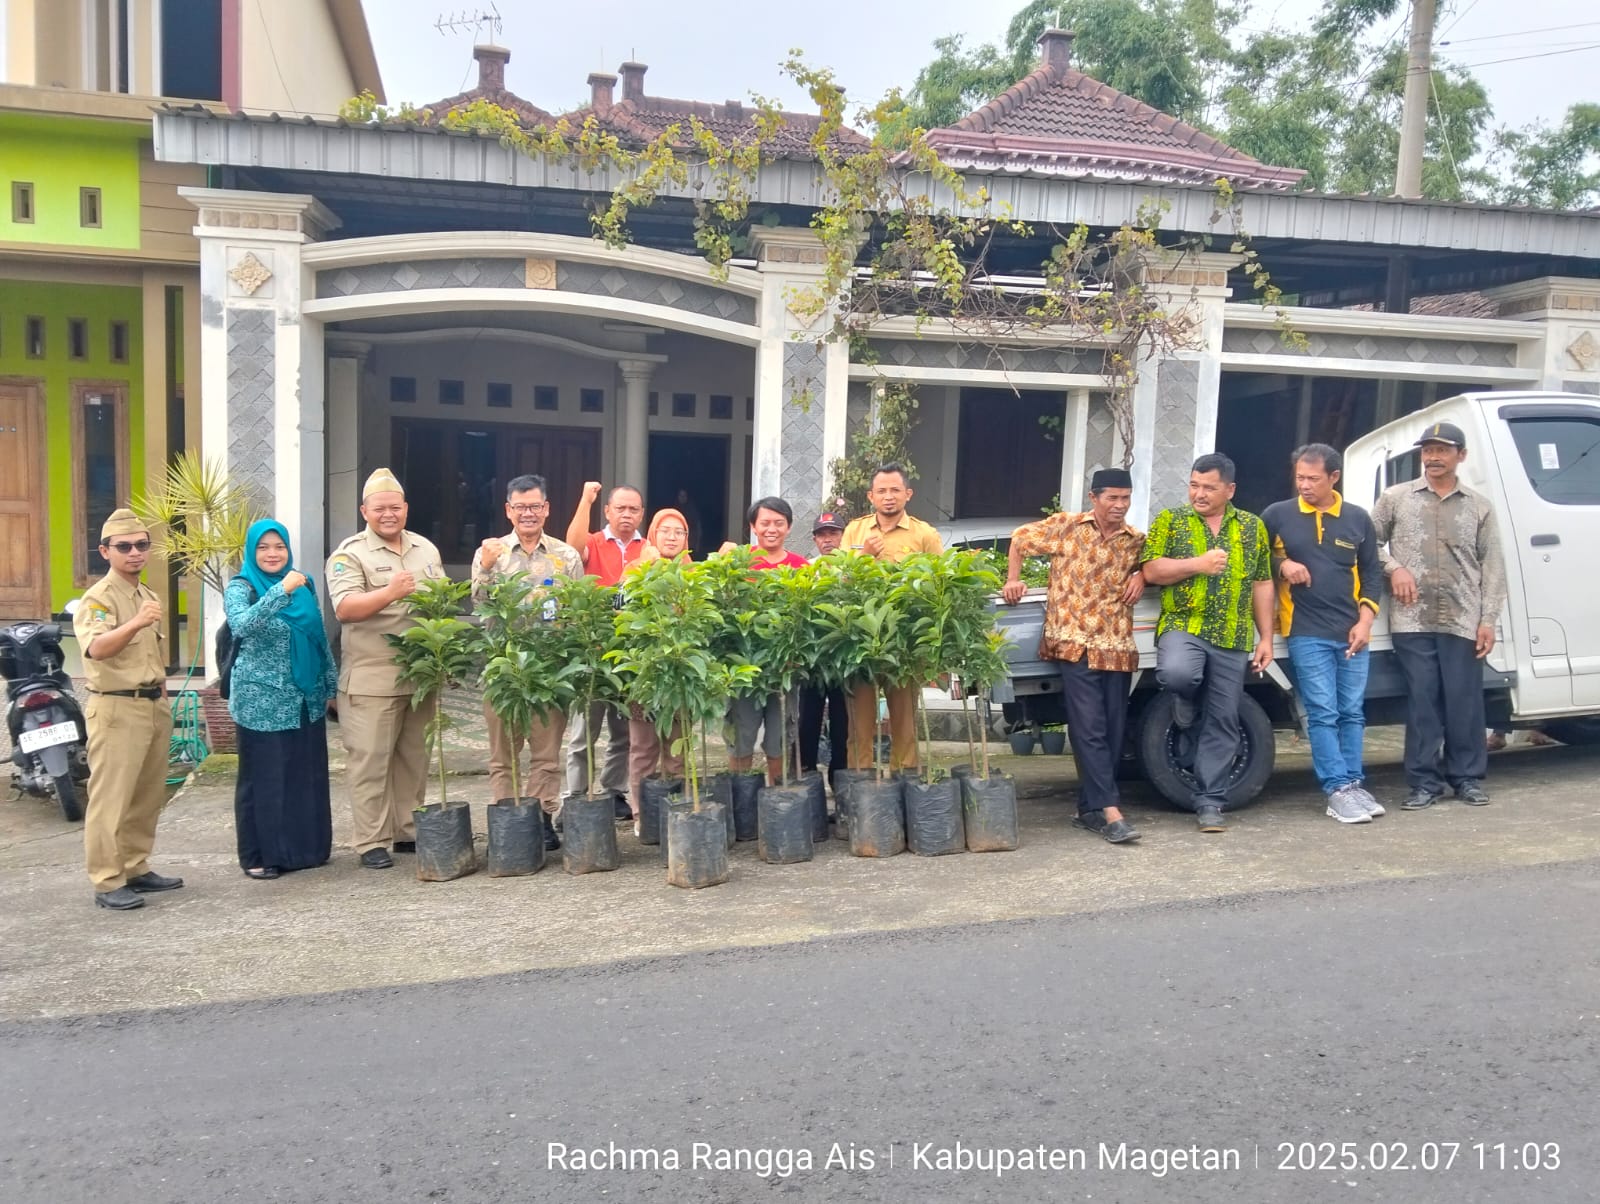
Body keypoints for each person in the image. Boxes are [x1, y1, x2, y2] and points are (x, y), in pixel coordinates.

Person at [1003, 470, 1146, 844]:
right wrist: (1012, 579)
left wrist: (1143, 576)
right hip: (1074, 642)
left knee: (1114, 730)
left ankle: (1089, 810)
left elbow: (1154, 566)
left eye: (1125, 498)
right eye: (1112, 498)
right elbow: (1019, 539)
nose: (1119, 506)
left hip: (1115, 644)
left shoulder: (1135, 541)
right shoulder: (1067, 526)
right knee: (1089, 727)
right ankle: (1111, 810)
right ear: (1094, 497)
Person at [1371, 421, 1507, 809]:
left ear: (1460, 456)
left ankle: (1467, 778)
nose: (1432, 456)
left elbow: (1493, 566)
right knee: (1423, 701)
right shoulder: (1395, 499)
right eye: (1427, 450)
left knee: (1464, 701)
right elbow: (1369, 541)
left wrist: (1488, 619)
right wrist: (1394, 568)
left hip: (1463, 618)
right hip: (1412, 619)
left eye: (1442, 450)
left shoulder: (1479, 507)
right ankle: (1423, 784)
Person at [1140, 454, 1275, 833]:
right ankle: (1185, 702)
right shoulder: (1171, 521)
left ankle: (1210, 802)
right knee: (1178, 674)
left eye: (1209, 487)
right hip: (1185, 624)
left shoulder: (1251, 527)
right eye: (1194, 485)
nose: (1199, 494)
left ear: (1229, 489)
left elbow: (1262, 582)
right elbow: (1150, 570)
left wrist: (1266, 637)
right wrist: (1196, 564)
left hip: (1232, 634)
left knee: (1224, 718)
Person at [326, 468, 446, 869]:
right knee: (370, 762)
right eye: (380, 508)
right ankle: (371, 840)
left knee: (414, 757)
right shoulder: (349, 554)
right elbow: (344, 609)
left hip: (419, 676)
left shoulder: (425, 549)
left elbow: (441, 601)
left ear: (406, 509)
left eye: (395, 507)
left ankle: (407, 829)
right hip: (372, 678)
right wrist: (390, 592)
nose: (389, 514)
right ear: (365, 511)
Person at [1262, 444, 1386, 825]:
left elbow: (1372, 572)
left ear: (1334, 477)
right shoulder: (1277, 515)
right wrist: (1283, 565)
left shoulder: (1357, 518)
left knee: (1352, 712)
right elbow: (1252, 559)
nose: (1304, 485)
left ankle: (1353, 784)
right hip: (1305, 631)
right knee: (1323, 712)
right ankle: (1336, 789)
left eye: (1313, 478)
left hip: (1351, 632)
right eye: (1300, 477)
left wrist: (1365, 622)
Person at [73, 509, 182, 910]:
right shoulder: (99, 598)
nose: (134, 553)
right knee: (111, 798)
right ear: (105, 551)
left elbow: (154, 658)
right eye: (124, 547)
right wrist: (135, 623)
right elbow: (97, 648)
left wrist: (164, 698)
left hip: (152, 705)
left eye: (141, 545)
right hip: (116, 708)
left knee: (147, 794)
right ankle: (106, 880)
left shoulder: (147, 595)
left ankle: (135, 865)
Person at [473, 474, 583, 851]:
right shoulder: (490, 552)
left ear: (547, 508)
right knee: (503, 754)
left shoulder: (566, 555)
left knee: (546, 754)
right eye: (520, 507)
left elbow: (576, 611)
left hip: (549, 670)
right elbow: (481, 607)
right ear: (508, 510)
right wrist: (486, 568)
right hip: (503, 670)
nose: (528, 514)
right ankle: (507, 817)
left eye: (535, 506)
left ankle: (540, 817)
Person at [224, 519, 338, 878]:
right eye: (263, 547)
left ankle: (307, 850)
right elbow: (242, 625)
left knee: (305, 775)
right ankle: (260, 856)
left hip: (305, 697)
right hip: (261, 700)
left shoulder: (302, 583)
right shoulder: (241, 587)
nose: (273, 554)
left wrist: (330, 689)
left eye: (279, 547)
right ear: (251, 551)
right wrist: (279, 593)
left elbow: (319, 637)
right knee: (265, 779)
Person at [841, 464, 943, 772]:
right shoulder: (855, 531)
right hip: (863, 640)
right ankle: (861, 787)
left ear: (908, 494)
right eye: (882, 491)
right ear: (871, 496)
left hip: (904, 642)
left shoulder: (925, 534)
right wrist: (864, 556)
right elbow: (841, 581)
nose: (888, 497)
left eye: (895, 490)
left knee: (904, 724)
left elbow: (938, 585)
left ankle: (905, 781)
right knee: (859, 726)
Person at [564, 481, 647, 813]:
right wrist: (585, 499)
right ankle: (575, 796)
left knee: (624, 731)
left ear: (641, 514)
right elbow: (572, 548)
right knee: (584, 730)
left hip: (632, 654)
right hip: (593, 651)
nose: (627, 514)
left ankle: (614, 790)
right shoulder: (594, 543)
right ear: (608, 511)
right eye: (620, 508)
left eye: (634, 509)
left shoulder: (649, 548)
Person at [721, 497, 809, 783]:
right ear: (753, 527)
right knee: (741, 735)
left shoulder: (801, 567)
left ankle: (777, 795)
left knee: (780, 735)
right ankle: (741, 797)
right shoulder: (739, 564)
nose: (772, 529)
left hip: (785, 669)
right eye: (765, 523)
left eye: (779, 523)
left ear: (789, 527)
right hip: (745, 671)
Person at [625, 508, 692, 827]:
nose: (672, 537)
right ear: (652, 534)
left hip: (679, 677)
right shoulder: (636, 568)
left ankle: (674, 814)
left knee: (677, 751)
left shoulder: (692, 575)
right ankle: (642, 815)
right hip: (644, 676)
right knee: (643, 749)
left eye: (679, 532)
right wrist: (649, 571)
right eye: (665, 530)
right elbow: (619, 610)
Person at [798, 512, 849, 788]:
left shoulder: (855, 569)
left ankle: (840, 781)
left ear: (843, 536)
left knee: (843, 723)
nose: (828, 540)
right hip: (814, 660)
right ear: (815, 540)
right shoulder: (808, 569)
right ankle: (807, 778)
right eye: (822, 535)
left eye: (833, 533)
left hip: (844, 660)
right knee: (808, 720)